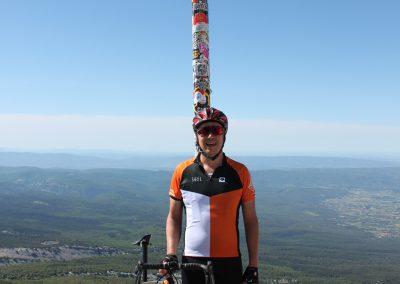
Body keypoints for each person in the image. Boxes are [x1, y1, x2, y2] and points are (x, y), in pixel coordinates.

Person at [162, 107, 259, 284]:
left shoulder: (240, 172)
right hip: (191, 261)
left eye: (216, 130)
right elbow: (174, 217)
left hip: (229, 261)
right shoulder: (182, 171)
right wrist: (171, 253)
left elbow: (251, 220)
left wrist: (253, 265)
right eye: (204, 131)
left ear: (224, 135)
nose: (210, 136)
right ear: (196, 136)